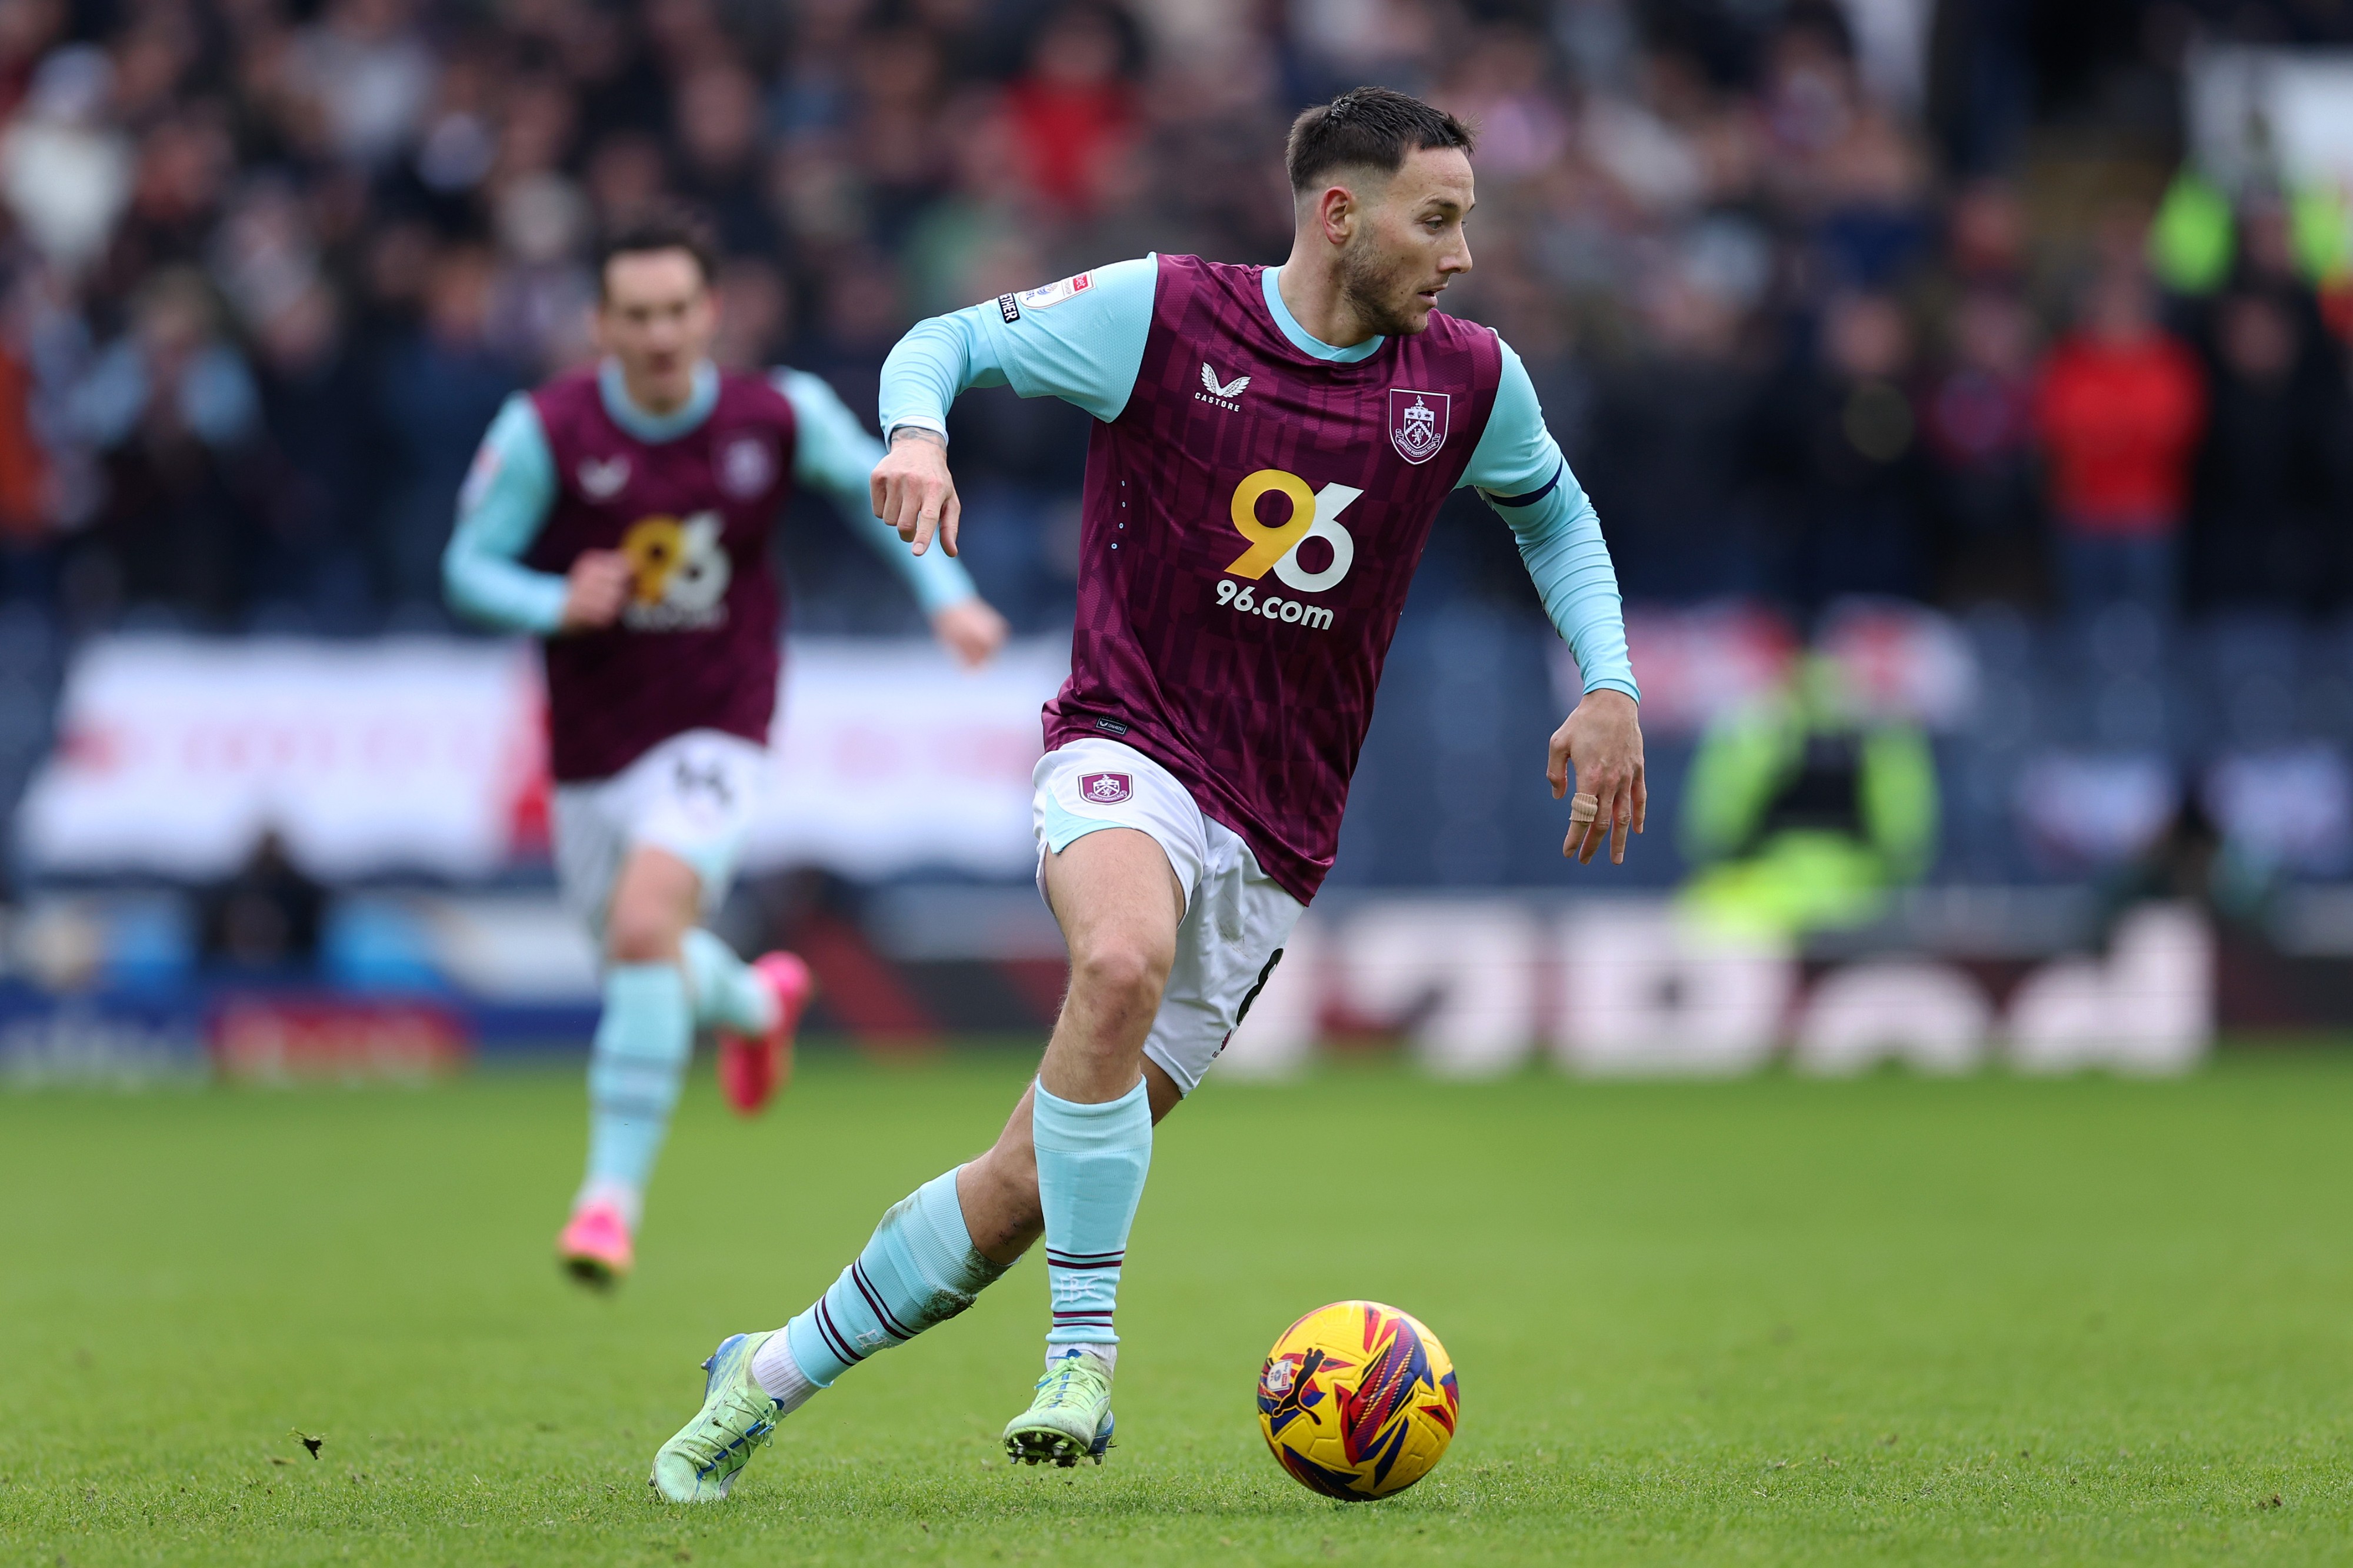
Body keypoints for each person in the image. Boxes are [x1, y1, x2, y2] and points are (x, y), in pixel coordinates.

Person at [646, 87, 1645, 1501]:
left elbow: (1552, 511)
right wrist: (918, 433)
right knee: (1116, 958)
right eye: (1438, 219)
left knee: (1015, 1192)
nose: (1463, 253)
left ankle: (760, 1376)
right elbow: (940, 340)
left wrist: (1605, 680)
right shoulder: (1164, 315)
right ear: (1337, 214)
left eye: (1466, 220)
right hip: (1124, 739)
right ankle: (1084, 1352)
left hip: (1279, 831)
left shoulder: (1468, 383)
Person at [441, 212, 1008, 1287]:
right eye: (636, 316)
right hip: (592, 750)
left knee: (648, 925)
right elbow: (468, 569)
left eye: (676, 313)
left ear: (711, 314)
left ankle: (607, 1202)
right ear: (602, 325)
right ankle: (755, 1001)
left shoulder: (775, 412)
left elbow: (885, 490)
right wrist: (554, 597)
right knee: (638, 954)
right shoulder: (546, 430)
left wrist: (952, 598)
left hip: (719, 725)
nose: (660, 335)